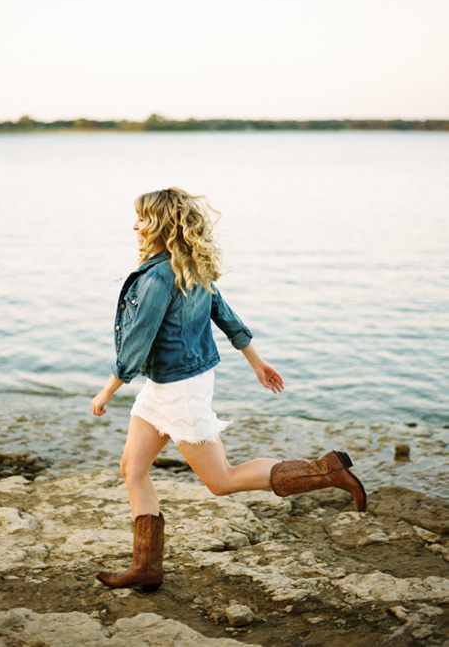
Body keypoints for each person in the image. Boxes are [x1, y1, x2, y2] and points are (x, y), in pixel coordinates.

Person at [91, 188, 366, 592]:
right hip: (173, 384)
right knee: (133, 469)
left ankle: (325, 472)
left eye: (144, 218)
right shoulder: (187, 266)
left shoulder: (159, 277)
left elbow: (137, 342)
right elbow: (227, 316)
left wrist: (108, 389)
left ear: (164, 224)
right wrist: (257, 361)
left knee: (221, 481)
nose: (136, 225)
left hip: (177, 389)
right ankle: (146, 568)